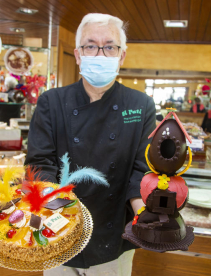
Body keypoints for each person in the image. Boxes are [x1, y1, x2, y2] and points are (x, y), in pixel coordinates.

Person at [24, 13, 156, 276]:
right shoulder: (52, 102)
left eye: (109, 46)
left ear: (122, 56)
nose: (99, 53)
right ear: (77, 54)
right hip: (59, 226)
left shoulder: (141, 105)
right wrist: (58, 210)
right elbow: (39, 163)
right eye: (90, 45)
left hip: (114, 233)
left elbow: (142, 170)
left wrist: (145, 215)